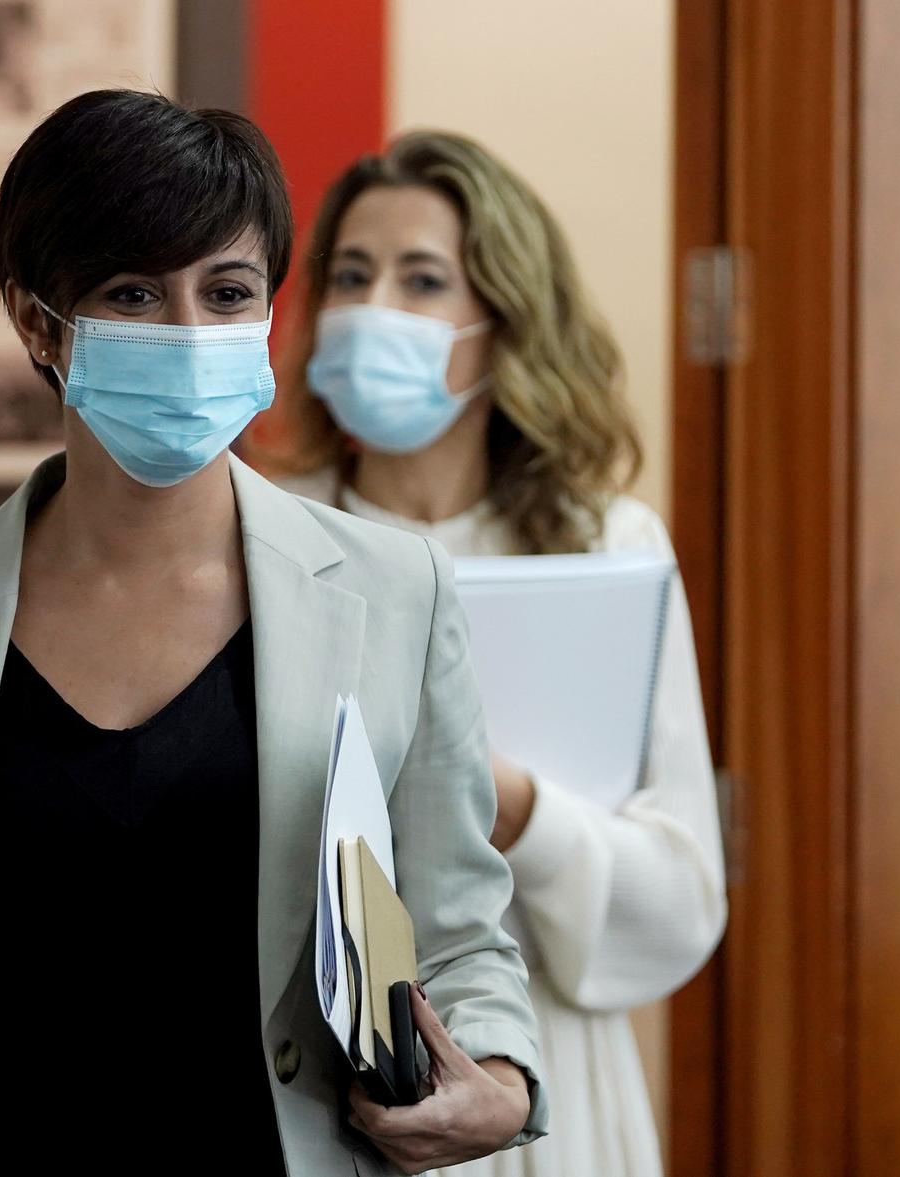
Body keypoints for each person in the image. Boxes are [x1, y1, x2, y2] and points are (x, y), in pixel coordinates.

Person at [0, 90, 547, 1177]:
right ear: (38, 321)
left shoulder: (392, 594)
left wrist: (499, 1081)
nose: (188, 333)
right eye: (131, 293)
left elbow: (456, 924)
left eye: (226, 293)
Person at [254, 129, 727, 1177]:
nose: (377, 306)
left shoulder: (605, 546)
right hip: (325, 1099)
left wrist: (510, 806)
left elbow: (680, 902)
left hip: (549, 1101)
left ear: (505, 324)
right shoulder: (267, 545)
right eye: (349, 275)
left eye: (422, 279)